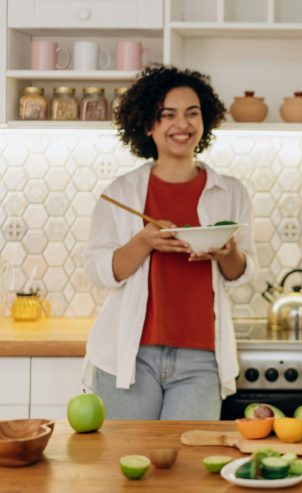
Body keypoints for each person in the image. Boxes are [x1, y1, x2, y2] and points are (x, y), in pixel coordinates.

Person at [82, 65, 256, 420]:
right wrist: (144, 241)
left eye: (193, 113)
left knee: (188, 471)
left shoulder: (231, 191)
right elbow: (99, 271)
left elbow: (241, 273)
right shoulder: (121, 192)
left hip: (201, 357)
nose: (183, 124)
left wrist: (228, 252)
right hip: (129, 354)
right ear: (148, 125)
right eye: (168, 115)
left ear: (205, 120)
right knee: (127, 465)